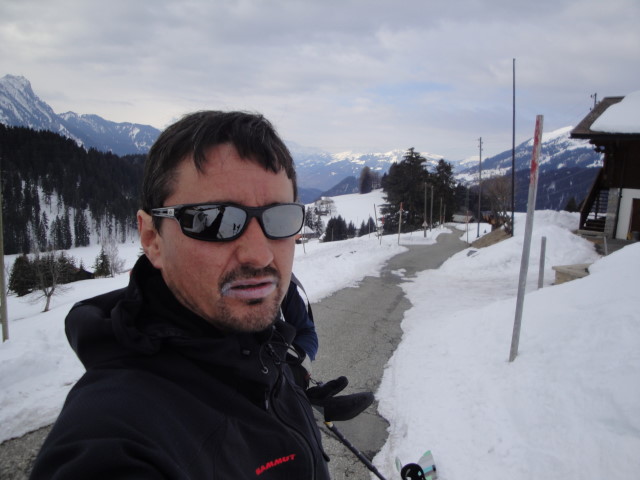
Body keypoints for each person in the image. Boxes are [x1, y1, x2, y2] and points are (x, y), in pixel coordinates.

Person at [30, 111, 332, 479]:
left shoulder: (258, 345)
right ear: (152, 238)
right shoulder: (113, 432)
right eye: (215, 220)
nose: (259, 255)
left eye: (280, 218)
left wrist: (294, 391)